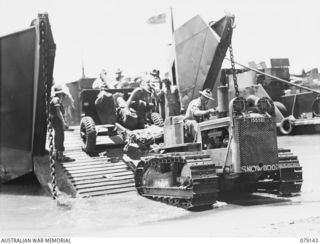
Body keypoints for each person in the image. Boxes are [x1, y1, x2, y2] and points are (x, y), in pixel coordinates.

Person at [49, 85, 74, 162]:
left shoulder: (53, 99)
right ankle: (60, 156)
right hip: (58, 121)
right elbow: (58, 112)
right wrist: (63, 123)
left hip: (55, 121)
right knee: (60, 137)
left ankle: (57, 154)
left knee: (57, 136)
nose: (63, 96)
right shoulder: (56, 99)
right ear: (60, 94)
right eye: (62, 94)